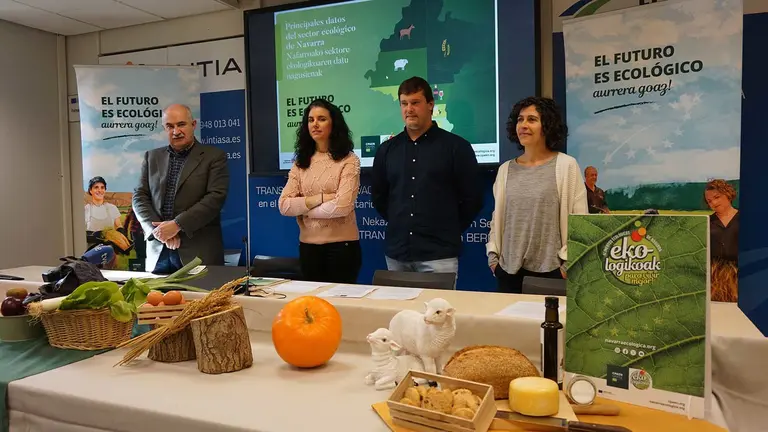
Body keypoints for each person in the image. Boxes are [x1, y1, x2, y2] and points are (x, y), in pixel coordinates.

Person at [371, 76, 483, 280]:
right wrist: (400, 222)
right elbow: (379, 197)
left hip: (439, 256)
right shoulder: (387, 150)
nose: (409, 109)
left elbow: (472, 199)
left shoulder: (456, 147)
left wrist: (446, 228)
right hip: (397, 254)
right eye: (404, 103)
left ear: (430, 105)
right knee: (400, 312)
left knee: (438, 313)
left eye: (415, 102)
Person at [486, 96, 588, 294]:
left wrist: (565, 268)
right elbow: (497, 219)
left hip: (551, 273)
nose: (523, 125)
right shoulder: (506, 169)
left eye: (532, 119)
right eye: (520, 119)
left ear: (547, 126)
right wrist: (493, 258)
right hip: (508, 272)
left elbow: (580, 223)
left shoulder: (566, 166)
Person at [132, 104, 230, 274]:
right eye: (170, 126)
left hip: (198, 254)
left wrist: (177, 225)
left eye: (181, 124)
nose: (176, 131)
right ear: (164, 128)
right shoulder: (152, 157)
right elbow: (139, 196)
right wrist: (159, 231)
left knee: (201, 301)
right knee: (157, 300)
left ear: (193, 125)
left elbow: (215, 198)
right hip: (158, 252)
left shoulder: (214, 157)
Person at [278, 99, 362, 283]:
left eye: (321, 119)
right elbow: (284, 206)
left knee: (340, 307)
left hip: (342, 249)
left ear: (334, 123)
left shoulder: (349, 160)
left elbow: (342, 207)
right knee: (313, 307)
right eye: (310, 120)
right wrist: (322, 198)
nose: (315, 124)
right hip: (308, 248)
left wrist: (304, 209)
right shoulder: (301, 162)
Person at [704, 179, 739, 302]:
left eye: (717, 197)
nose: (713, 202)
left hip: (740, 280)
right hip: (715, 282)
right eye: (709, 201)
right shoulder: (706, 222)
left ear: (728, 194)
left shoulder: (745, 218)